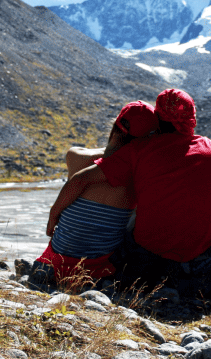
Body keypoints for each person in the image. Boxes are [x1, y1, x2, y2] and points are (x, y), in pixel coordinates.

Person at [58, 88, 211, 298]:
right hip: (201, 272)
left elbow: (85, 176)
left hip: (144, 270)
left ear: (158, 118)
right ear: (192, 118)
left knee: (134, 204)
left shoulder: (139, 150)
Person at [29, 101, 158, 290]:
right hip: (97, 273)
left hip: (50, 266)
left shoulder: (75, 157)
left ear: (114, 127)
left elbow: (82, 171)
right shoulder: (139, 175)